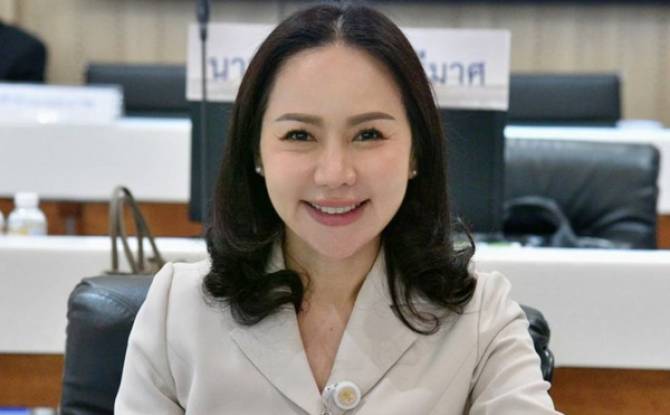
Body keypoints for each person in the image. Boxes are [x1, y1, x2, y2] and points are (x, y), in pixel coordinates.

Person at [115, 4, 561, 414]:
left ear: (415, 153)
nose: (335, 174)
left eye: (368, 135)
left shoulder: (483, 317)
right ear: (256, 152)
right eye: (299, 135)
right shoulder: (177, 309)